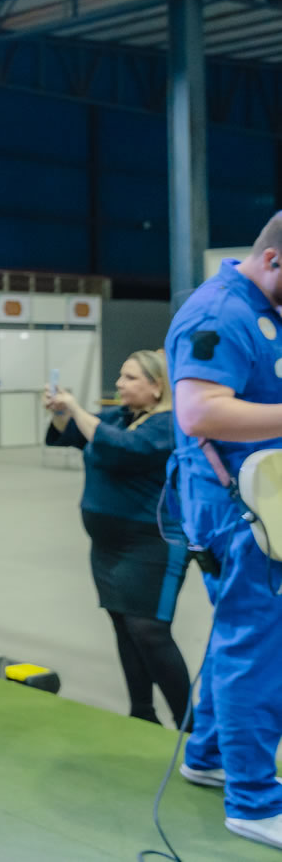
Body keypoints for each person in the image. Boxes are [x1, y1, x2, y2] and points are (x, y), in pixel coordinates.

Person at [168, 214, 282, 851]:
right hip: (236, 511)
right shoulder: (220, 313)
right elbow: (199, 411)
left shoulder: (263, 309)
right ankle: (254, 801)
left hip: (257, 502)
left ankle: (209, 755)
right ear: (274, 259)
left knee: (240, 635)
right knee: (258, 647)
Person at [44, 349, 188, 727]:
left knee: (150, 631)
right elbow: (75, 435)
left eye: (130, 378)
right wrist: (61, 413)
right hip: (108, 547)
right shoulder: (120, 417)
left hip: (152, 544)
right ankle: (141, 713)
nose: (120, 384)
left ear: (157, 387)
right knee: (123, 625)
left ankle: (191, 726)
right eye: (121, 376)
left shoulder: (170, 425)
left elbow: (122, 448)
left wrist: (76, 408)